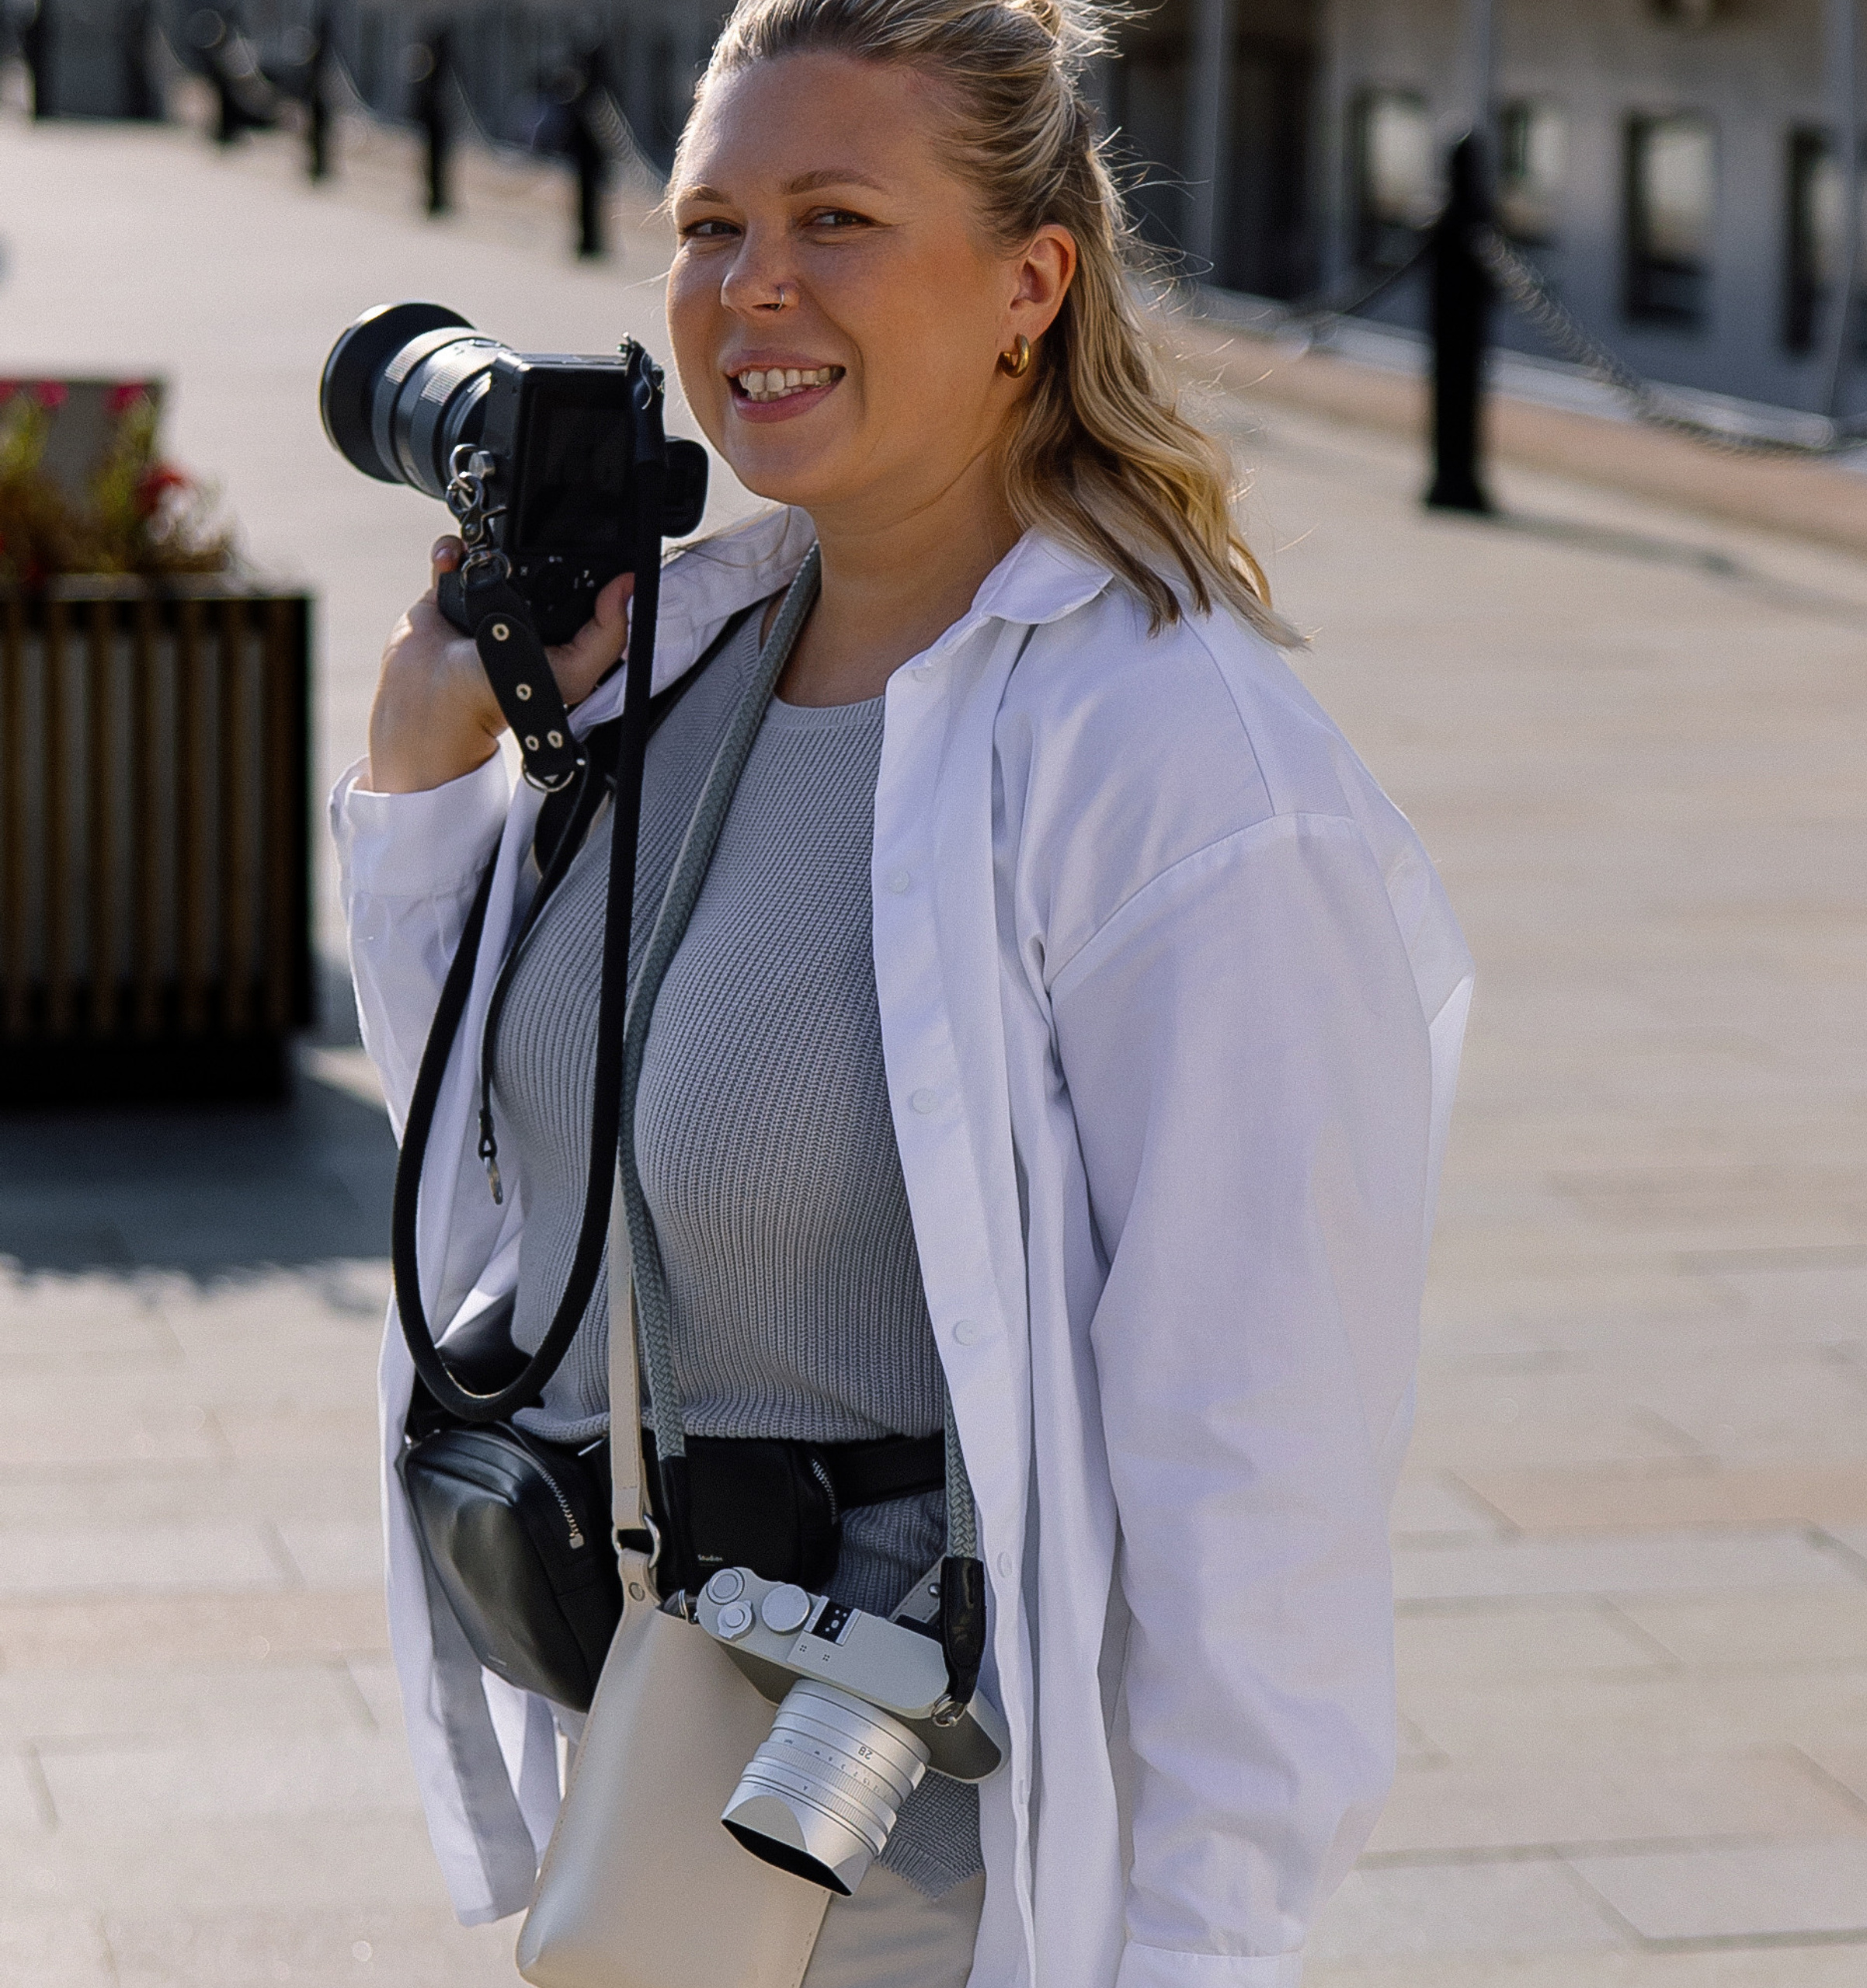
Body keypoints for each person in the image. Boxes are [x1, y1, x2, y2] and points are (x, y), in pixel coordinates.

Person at [332, 0, 1472, 1980]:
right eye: (707, 227)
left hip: (941, 1875)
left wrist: (1194, 1954)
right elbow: (507, 1183)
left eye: (834, 217)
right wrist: (434, 787)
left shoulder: (1172, 762)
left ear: (1030, 280)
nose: (750, 287)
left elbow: (1254, 1461)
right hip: (668, 1791)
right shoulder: (682, 663)